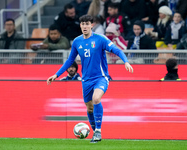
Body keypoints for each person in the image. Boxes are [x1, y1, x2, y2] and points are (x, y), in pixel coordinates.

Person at [47, 15, 133, 143]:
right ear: (80, 26)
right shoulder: (77, 41)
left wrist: (126, 61)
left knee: (96, 98)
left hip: (101, 77)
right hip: (86, 80)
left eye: (87, 24)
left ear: (91, 25)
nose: (85, 26)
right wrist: (56, 74)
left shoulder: (100, 39)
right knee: (89, 108)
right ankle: (95, 133)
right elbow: (70, 60)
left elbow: (116, 50)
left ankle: (98, 131)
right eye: (83, 24)